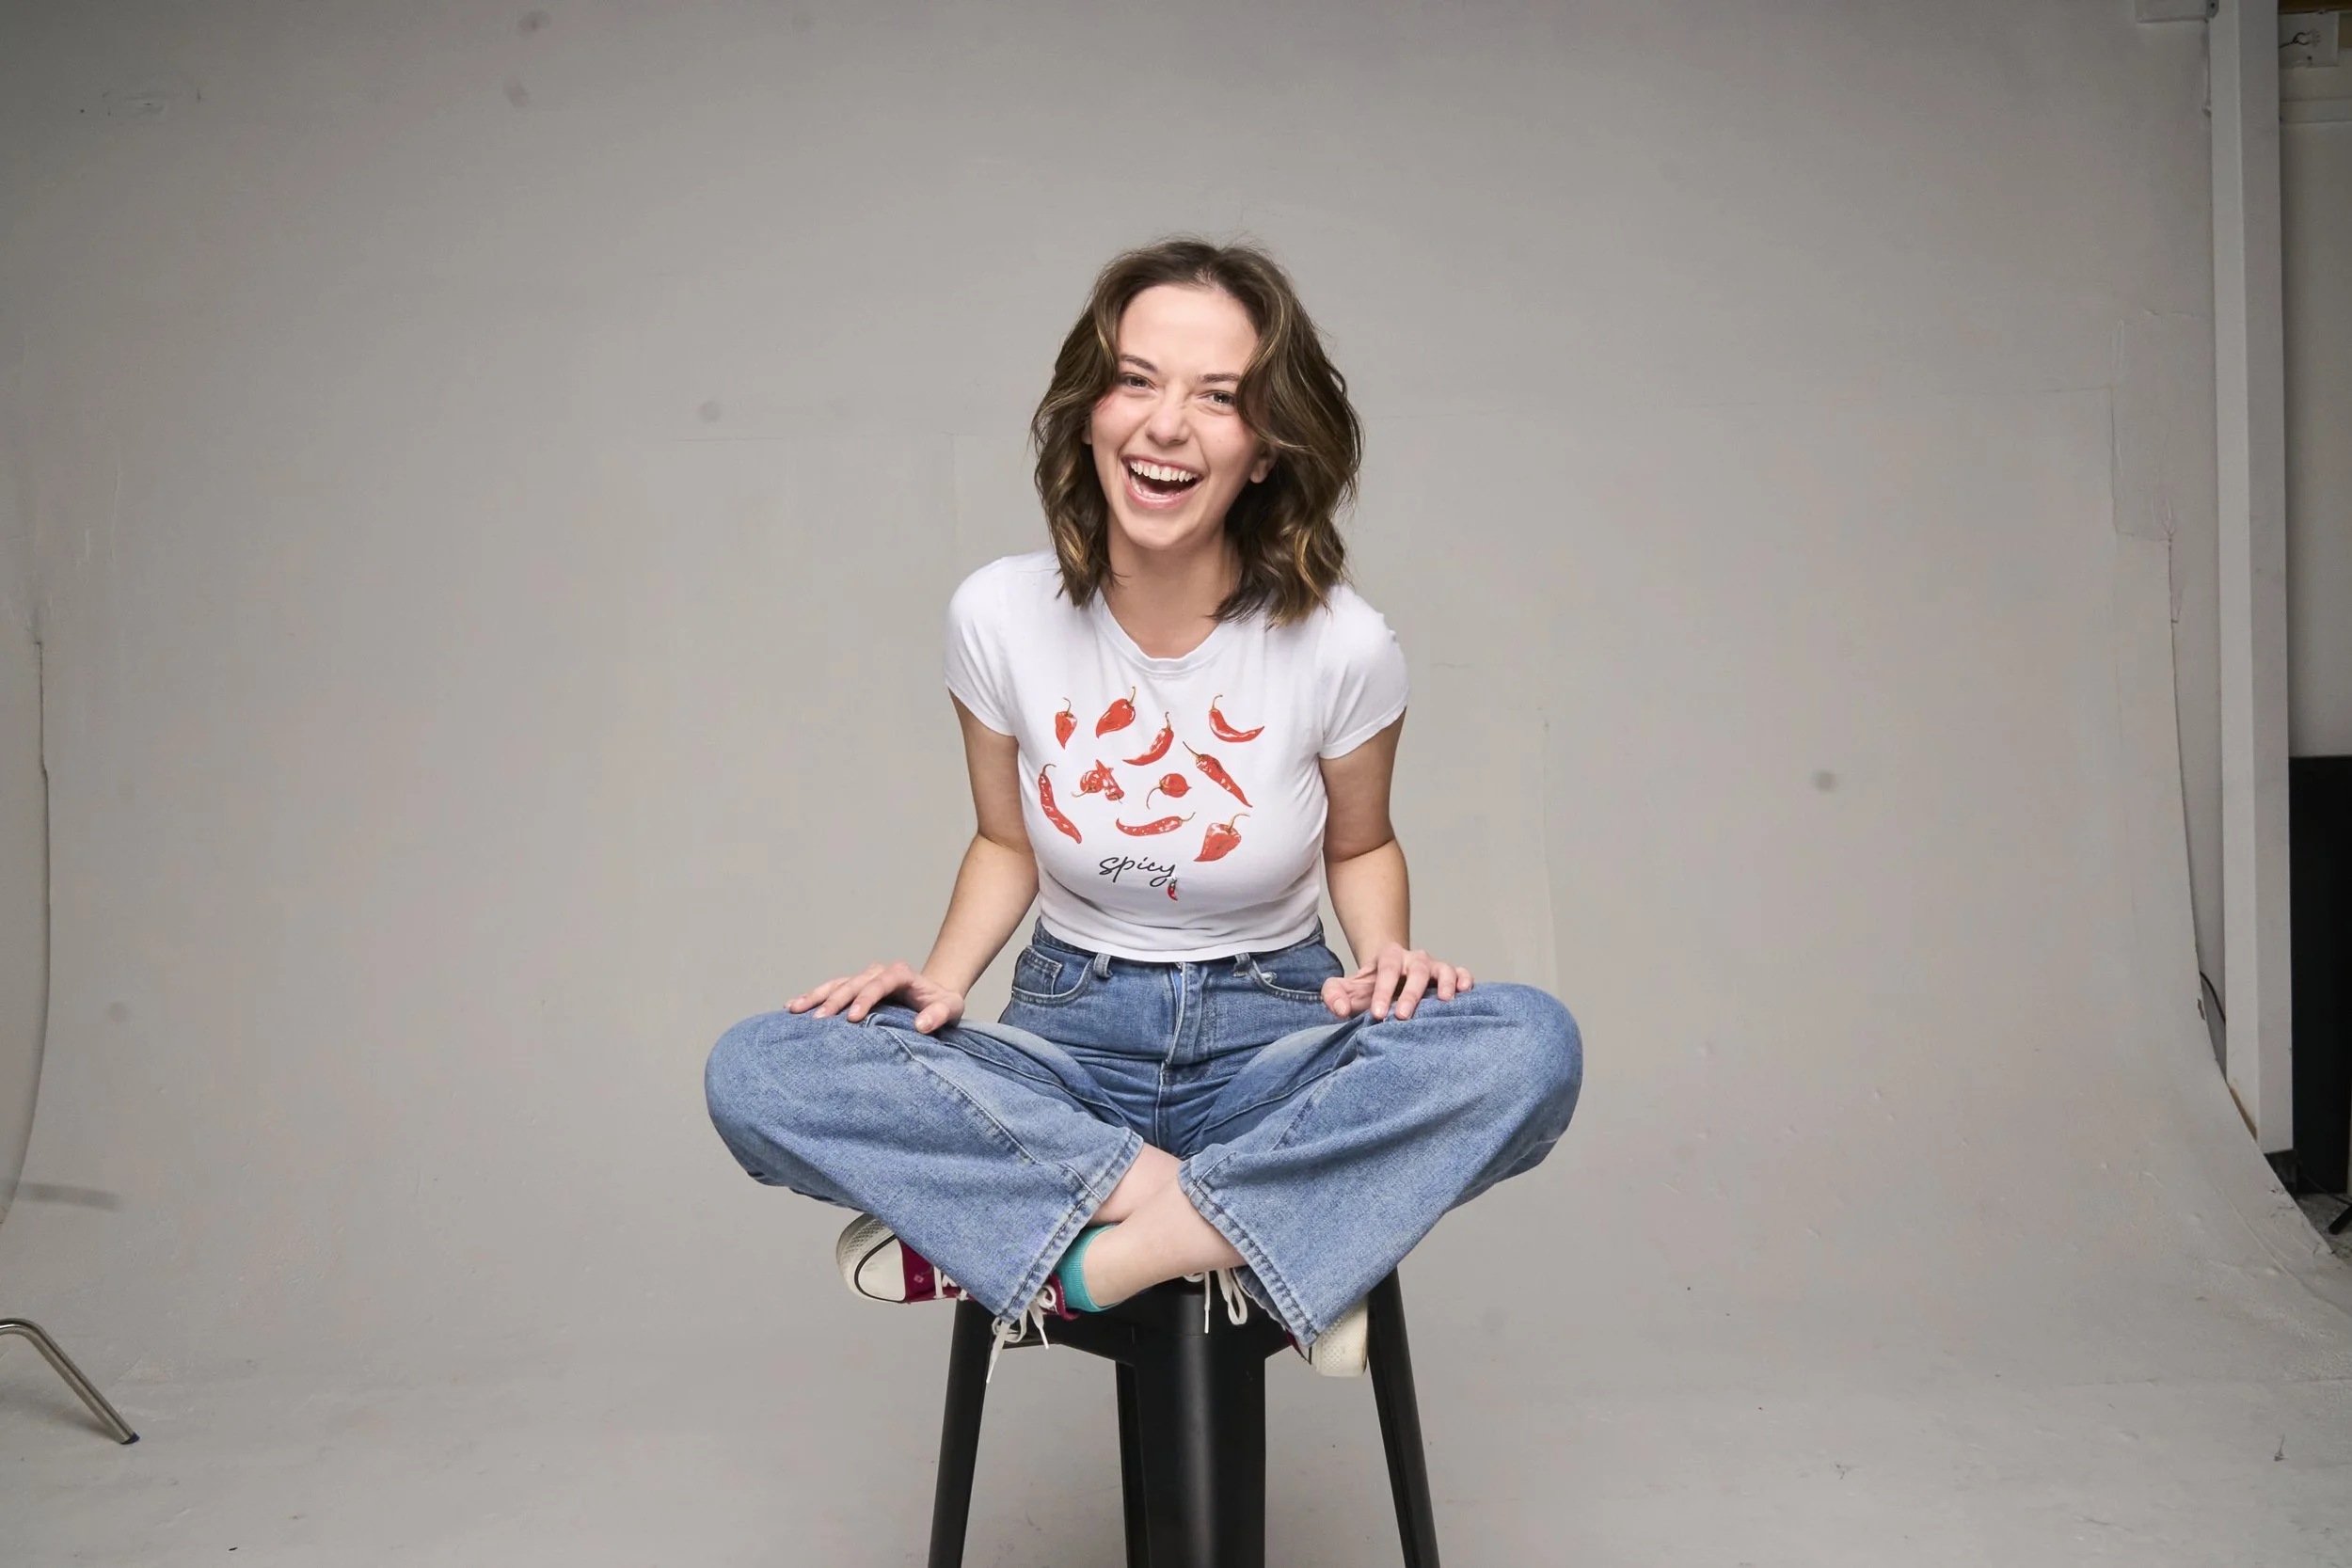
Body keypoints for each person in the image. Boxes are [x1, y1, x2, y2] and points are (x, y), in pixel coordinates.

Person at [704, 237, 1581, 1376]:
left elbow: (1360, 841)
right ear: (1088, 412)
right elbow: (1002, 835)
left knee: (1530, 1047)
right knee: (759, 1067)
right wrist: (943, 982)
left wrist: (1384, 963)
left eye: (1219, 398)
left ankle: (1079, 1262)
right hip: (1070, 1045)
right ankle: (1266, 1238)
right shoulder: (998, 615)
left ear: (1264, 450)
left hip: (1280, 1041)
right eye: (1136, 380)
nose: (1168, 424)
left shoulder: (1344, 645)